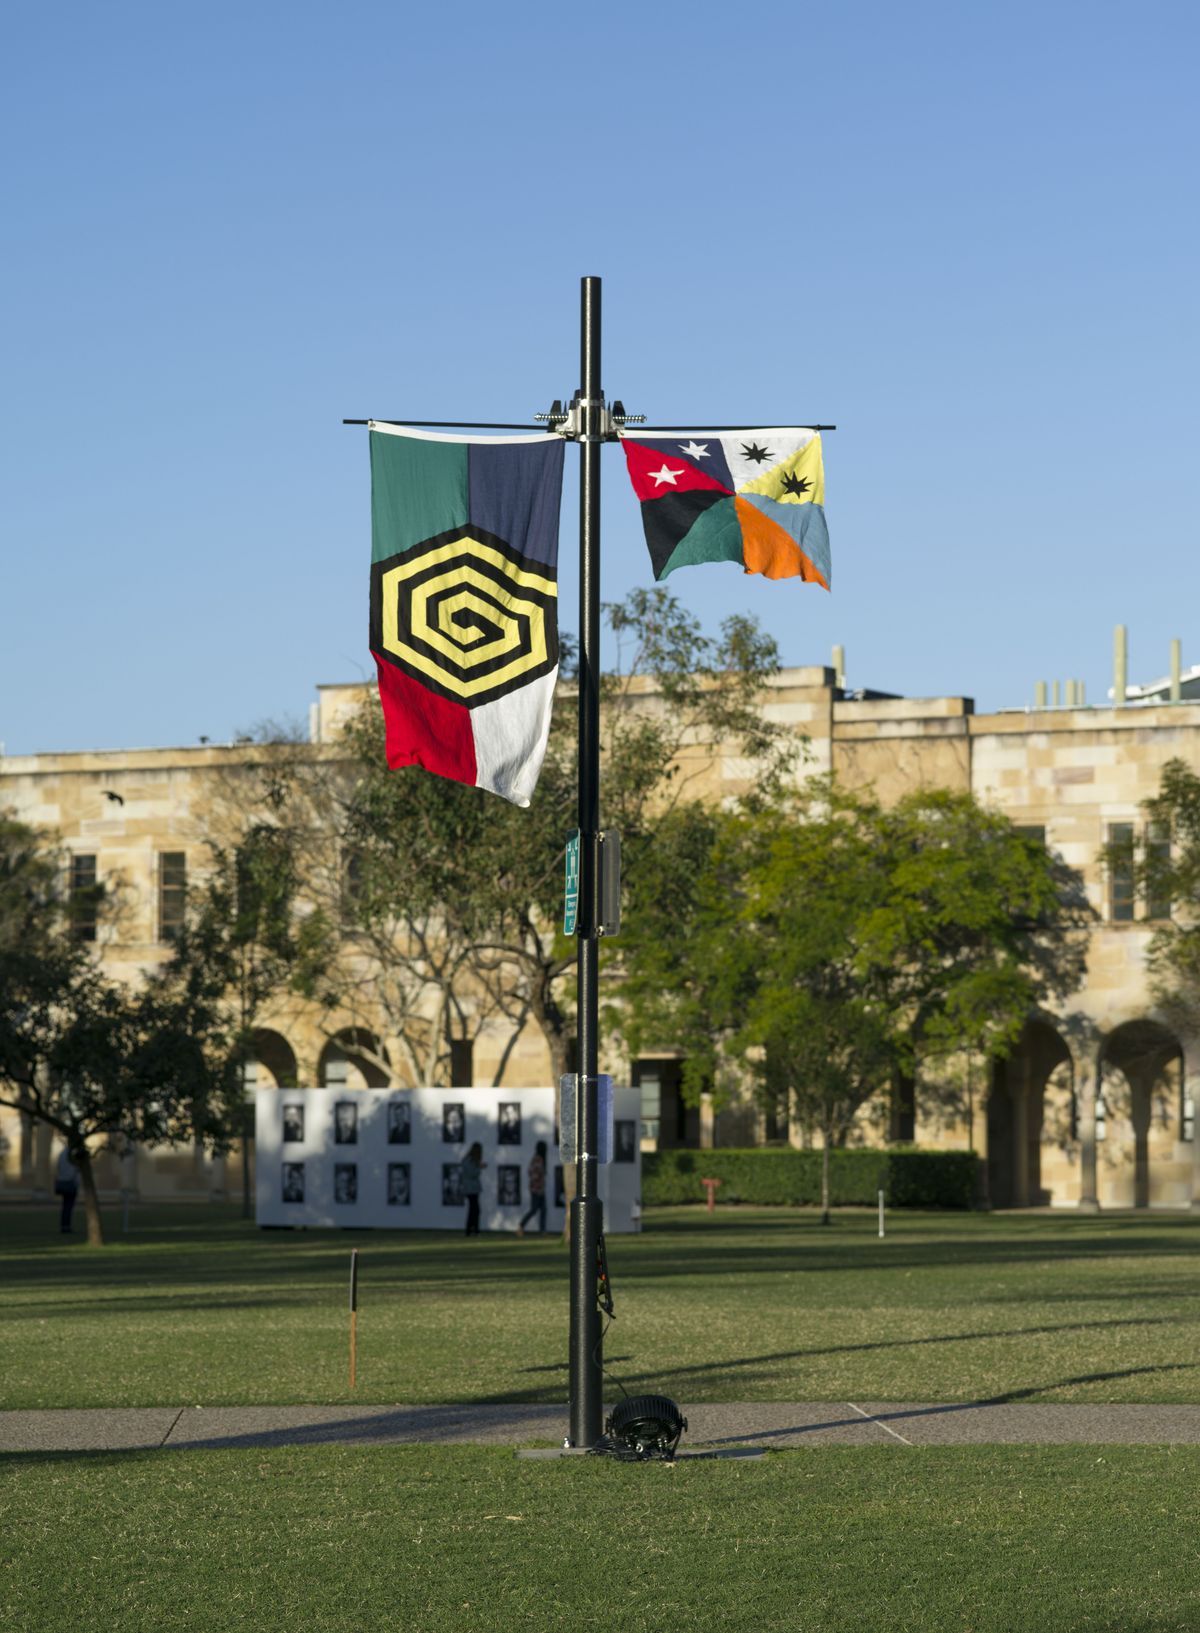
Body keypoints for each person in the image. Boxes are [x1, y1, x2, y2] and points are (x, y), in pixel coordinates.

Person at [517, 1140, 547, 1236]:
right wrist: (538, 1180)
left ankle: (542, 1230)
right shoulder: (538, 1159)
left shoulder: (536, 1158)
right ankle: (521, 1225)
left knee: (543, 1210)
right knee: (534, 1209)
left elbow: (531, 1172)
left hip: (538, 1189)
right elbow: (534, 1174)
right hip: (537, 1189)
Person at [460, 1141, 486, 1236]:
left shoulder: (467, 1160)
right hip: (471, 1189)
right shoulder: (469, 1161)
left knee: (474, 1210)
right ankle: (472, 1230)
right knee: (474, 1210)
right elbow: (472, 1174)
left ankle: (471, 1230)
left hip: (471, 1189)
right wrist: (479, 1167)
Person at [54, 1146, 80, 1234]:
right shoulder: (72, 1154)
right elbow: (75, 1170)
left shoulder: (62, 1154)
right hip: (70, 1183)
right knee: (68, 1206)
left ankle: (64, 1225)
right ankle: (66, 1226)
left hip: (63, 1181)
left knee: (65, 1206)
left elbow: (58, 1167)